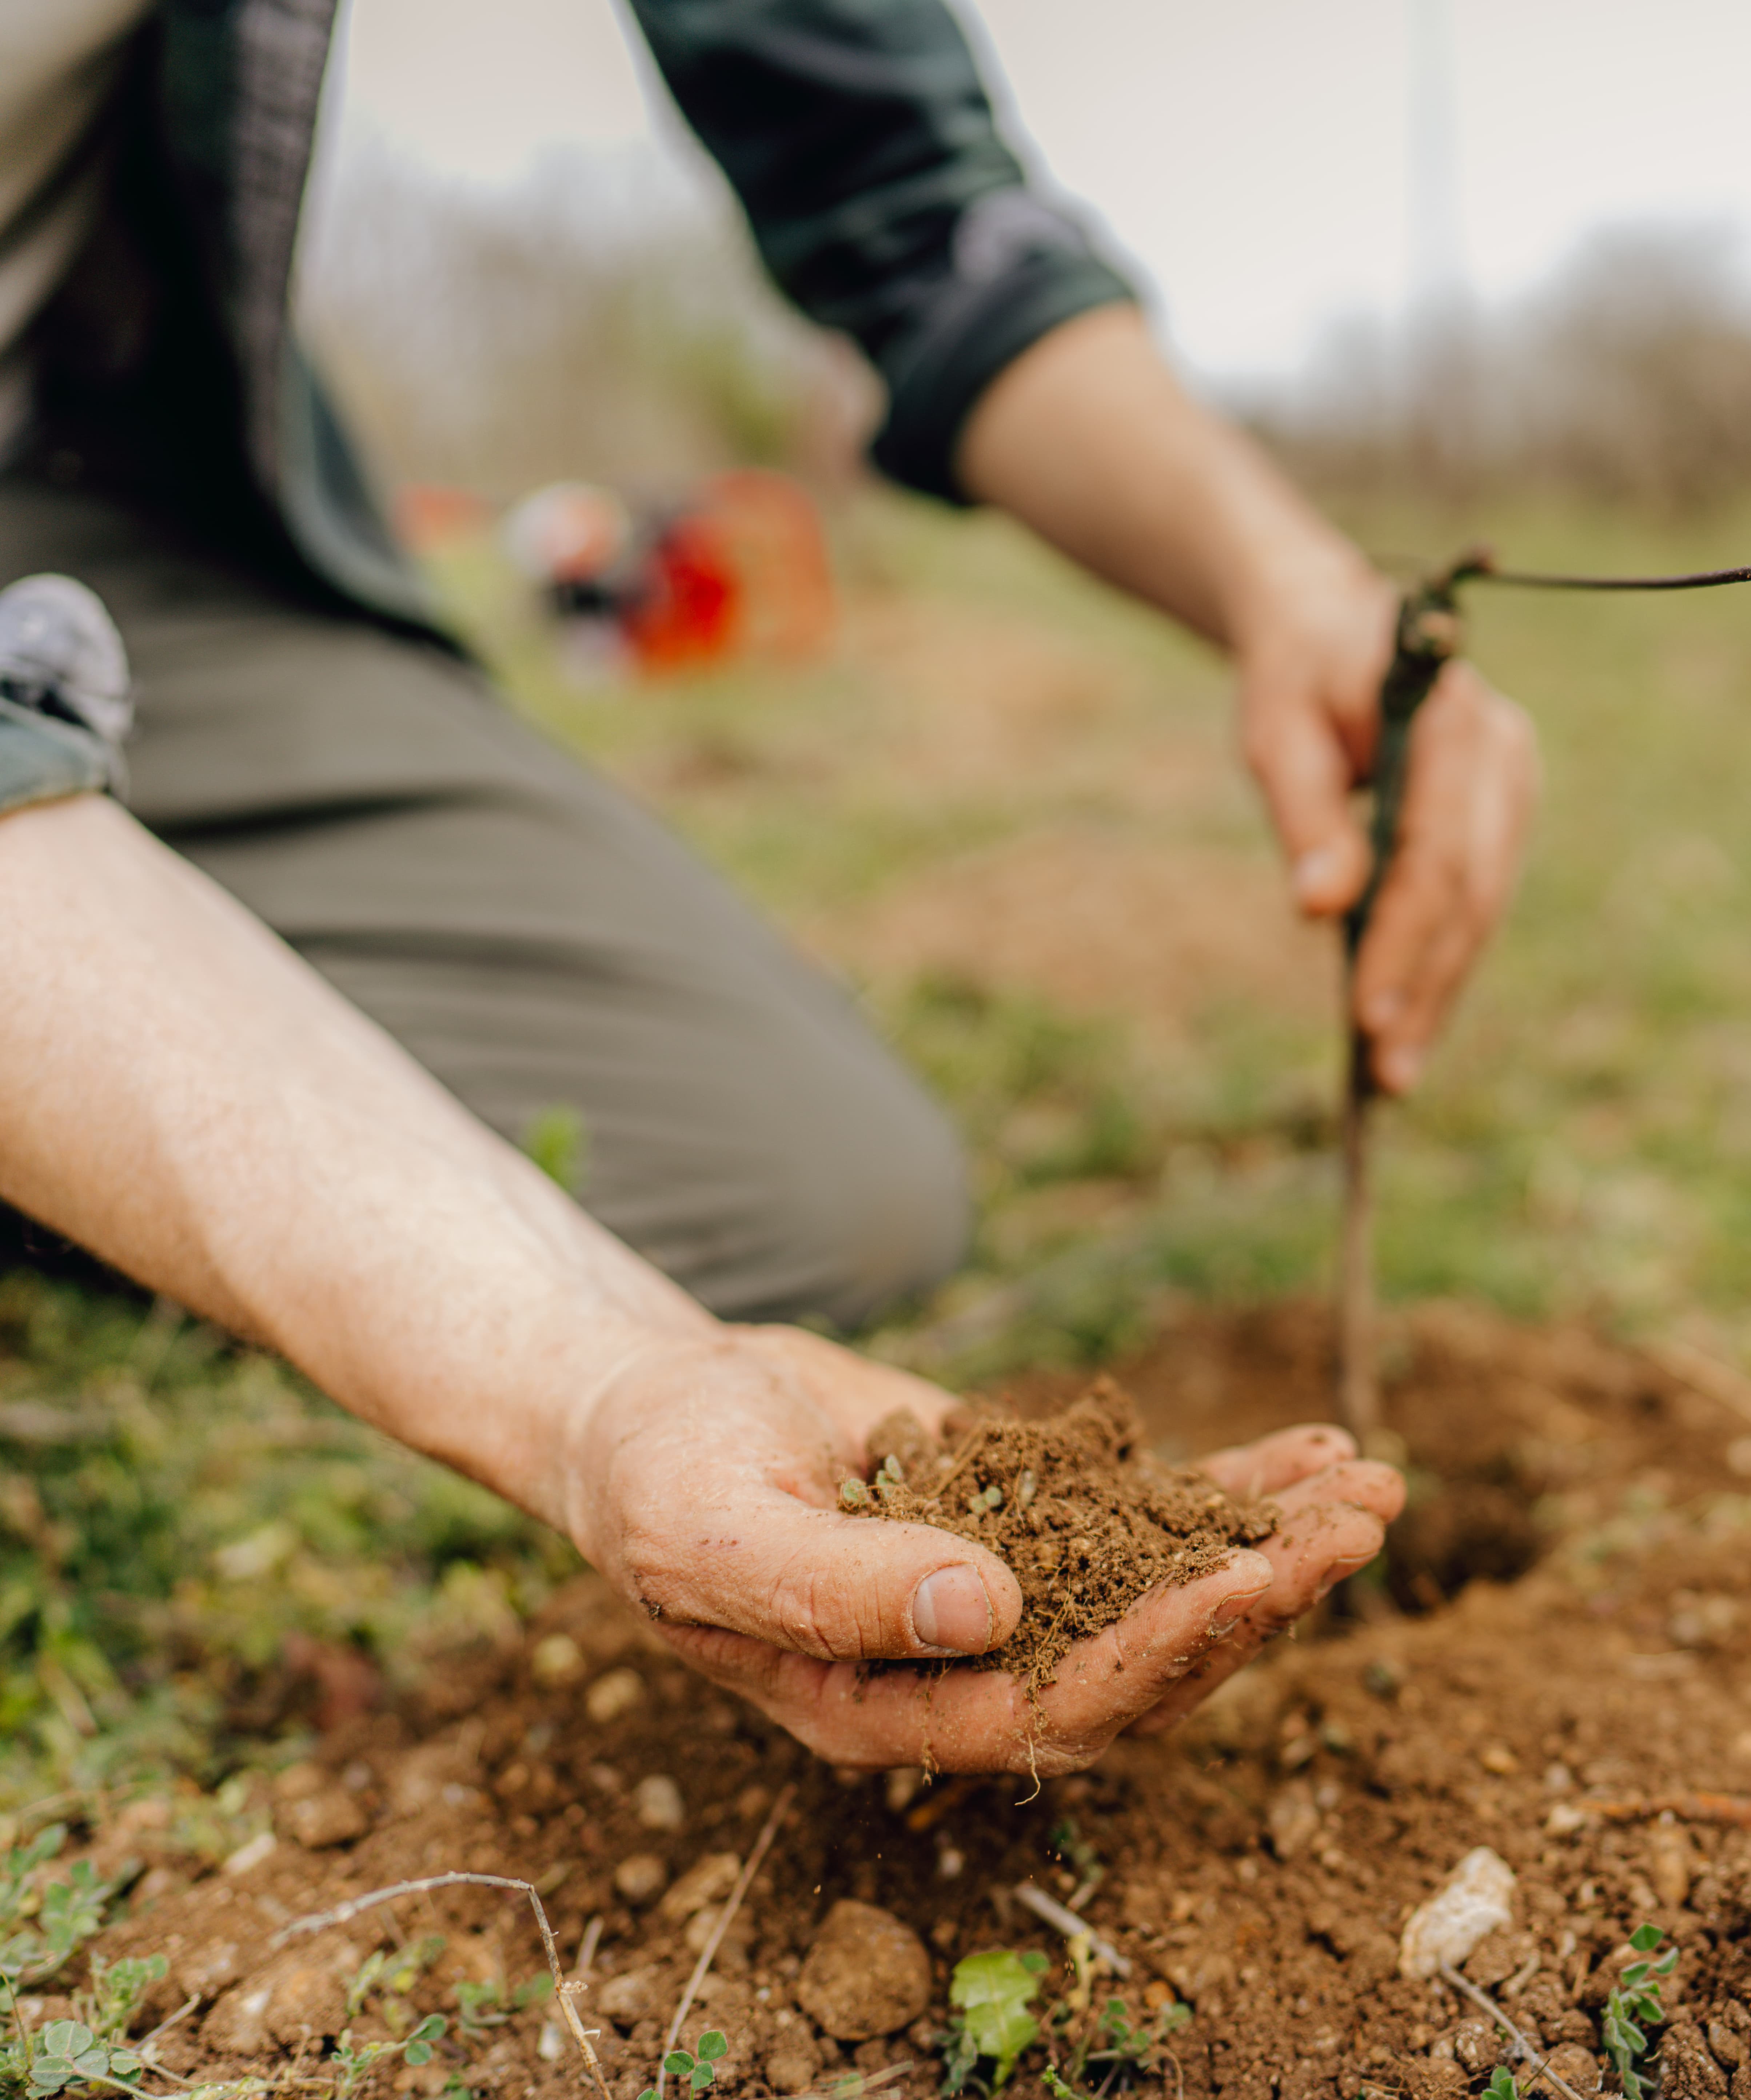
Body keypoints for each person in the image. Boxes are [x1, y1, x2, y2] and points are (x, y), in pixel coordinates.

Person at [0, 1, 1541, 1773]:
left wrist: (1276, 573)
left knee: (814, 1184)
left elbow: (884, 160)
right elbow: (566, 1360)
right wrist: (581, 1381)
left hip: (90, 494)